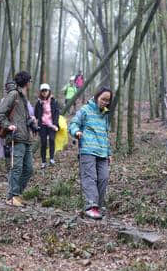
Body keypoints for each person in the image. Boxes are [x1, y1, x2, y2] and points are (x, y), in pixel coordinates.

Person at [0, 71, 38, 207]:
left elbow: (24, 118)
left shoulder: (23, 97)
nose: (30, 84)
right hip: (15, 137)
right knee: (17, 168)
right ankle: (12, 196)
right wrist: (9, 126)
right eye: (30, 81)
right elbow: (0, 114)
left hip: (26, 138)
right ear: (26, 82)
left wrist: (33, 125)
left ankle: (17, 194)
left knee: (29, 169)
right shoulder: (13, 94)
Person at [68, 87, 112, 220]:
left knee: (103, 177)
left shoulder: (105, 114)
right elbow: (73, 123)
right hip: (87, 149)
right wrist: (76, 132)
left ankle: (98, 205)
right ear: (97, 97)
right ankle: (91, 206)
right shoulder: (85, 110)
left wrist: (109, 152)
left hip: (102, 151)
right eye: (103, 99)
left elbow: (105, 134)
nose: (105, 102)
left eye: (107, 101)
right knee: (90, 176)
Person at [34, 83, 60, 168]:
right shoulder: (39, 102)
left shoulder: (54, 101)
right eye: (43, 91)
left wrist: (55, 124)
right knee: (43, 142)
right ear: (41, 92)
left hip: (52, 124)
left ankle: (52, 158)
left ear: (49, 91)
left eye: (46, 90)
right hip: (43, 125)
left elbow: (56, 113)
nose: (44, 92)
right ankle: (43, 161)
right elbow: (36, 114)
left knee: (52, 140)